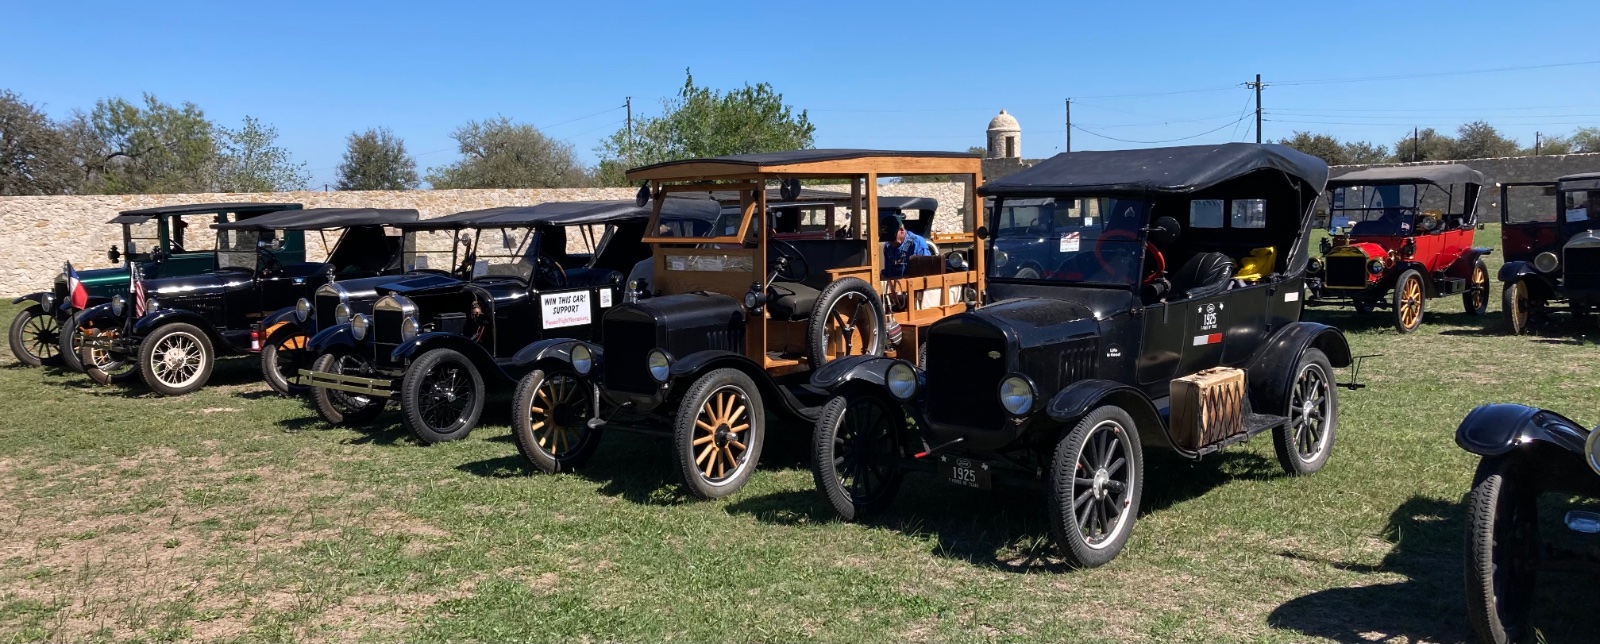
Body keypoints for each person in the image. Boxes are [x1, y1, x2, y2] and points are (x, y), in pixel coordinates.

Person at [881, 214, 934, 278]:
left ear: (902, 230)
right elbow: (887, 272)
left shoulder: (917, 243)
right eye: (887, 239)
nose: (890, 242)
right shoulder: (888, 247)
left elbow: (926, 274)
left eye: (892, 238)